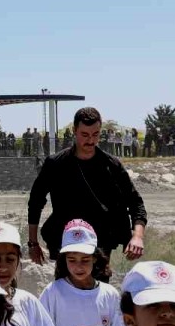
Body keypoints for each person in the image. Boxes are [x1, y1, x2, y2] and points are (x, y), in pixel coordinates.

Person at [28, 107, 147, 268]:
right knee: (65, 290)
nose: (90, 141)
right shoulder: (56, 164)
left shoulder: (111, 165)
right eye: (85, 135)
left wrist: (137, 236)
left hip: (100, 244)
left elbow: (135, 202)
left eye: (95, 135)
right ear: (74, 131)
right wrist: (33, 243)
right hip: (64, 243)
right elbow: (35, 201)